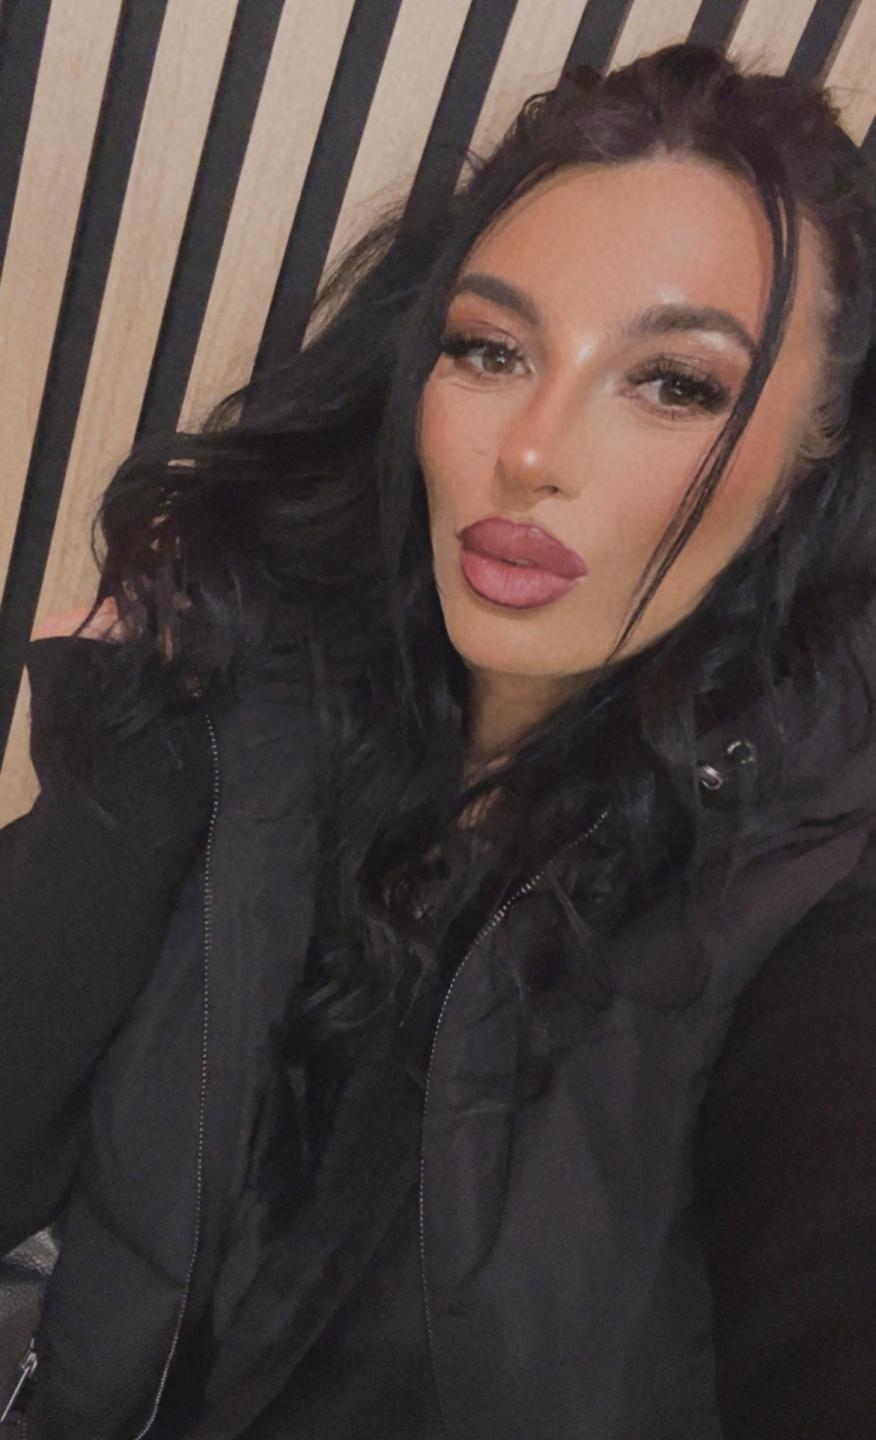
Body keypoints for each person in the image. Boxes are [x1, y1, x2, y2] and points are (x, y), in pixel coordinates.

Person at [2, 37, 876, 1439]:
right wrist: (138, 748)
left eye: (674, 383)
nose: (529, 449)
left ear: (814, 452)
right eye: (491, 350)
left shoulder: (812, 898)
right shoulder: (268, 705)